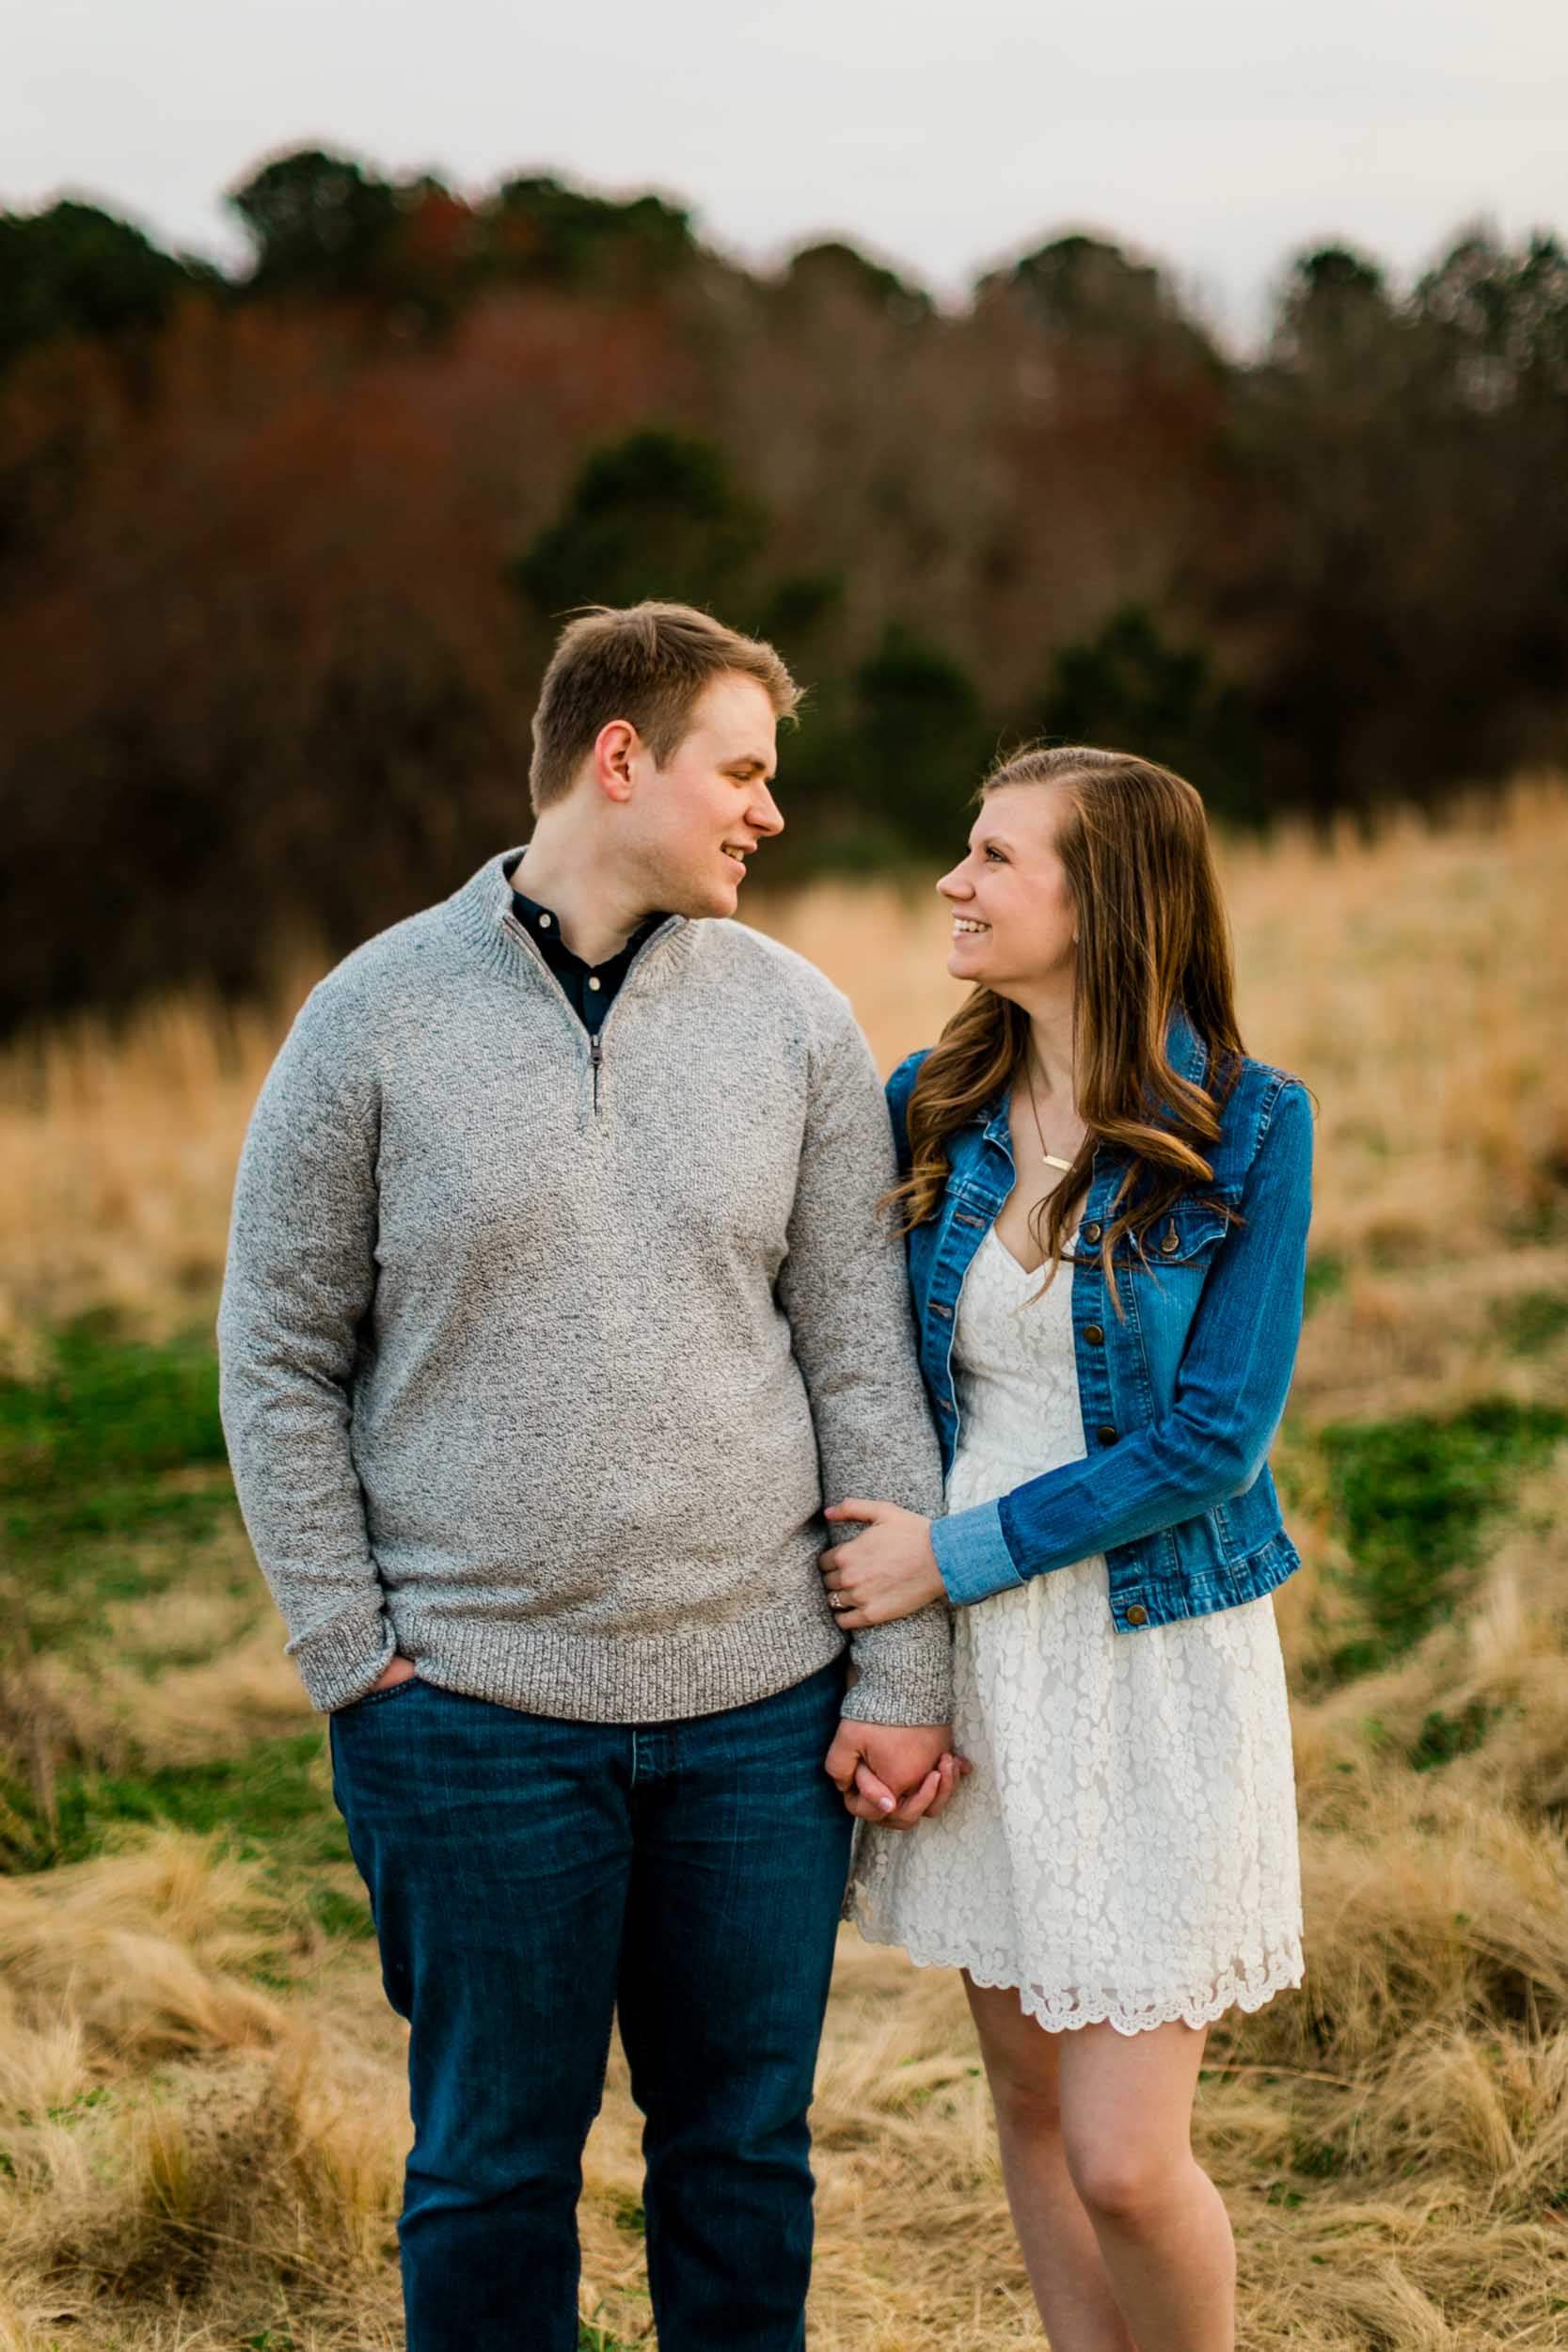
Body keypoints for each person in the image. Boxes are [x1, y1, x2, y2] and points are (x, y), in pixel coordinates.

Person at [216, 600, 958, 2352]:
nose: (769, 813)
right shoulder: (370, 1019)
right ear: (620, 761)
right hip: (471, 1718)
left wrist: (902, 1674)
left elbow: (860, 1358)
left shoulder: (795, 1025)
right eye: (745, 771)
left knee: (742, 2165)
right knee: (489, 2172)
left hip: (761, 1723)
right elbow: (276, 1354)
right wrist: (353, 1658)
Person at [819, 745, 1312, 2352]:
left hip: (1148, 1649)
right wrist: (910, 1651)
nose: (953, 883)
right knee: (1027, 2108)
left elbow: (1212, 1443)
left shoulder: (1248, 1125)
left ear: (1101, 902)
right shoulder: (932, 1106)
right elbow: (879, 1379)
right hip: (985, 1665)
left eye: (994, 858)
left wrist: (951, 1560)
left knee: (1124, 2158)